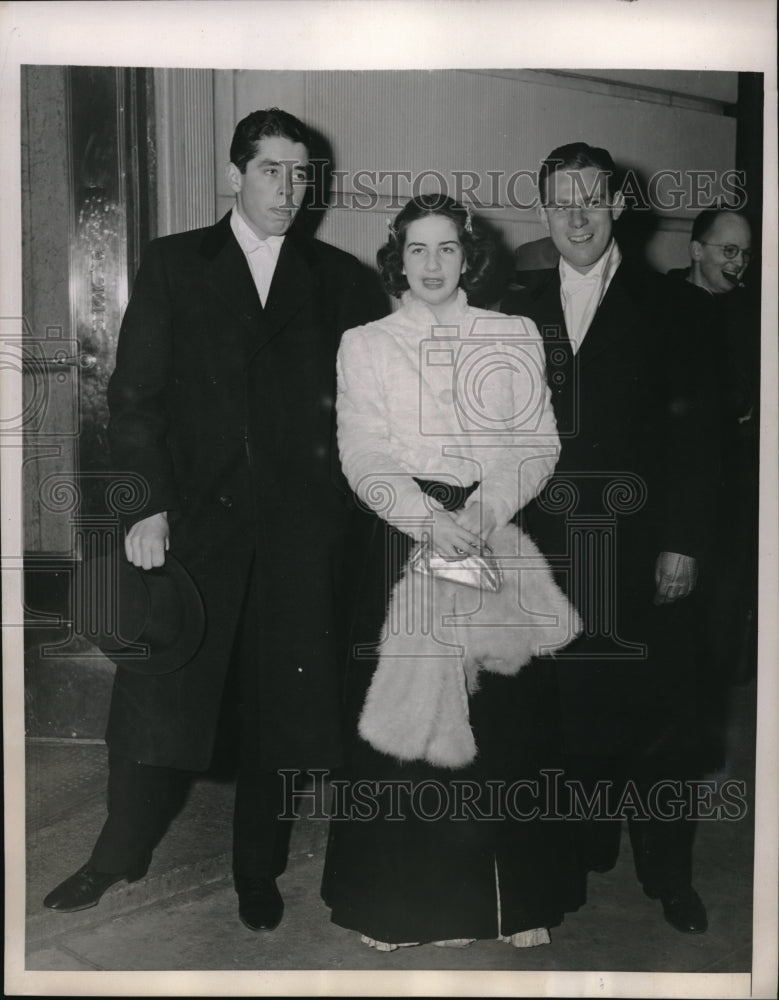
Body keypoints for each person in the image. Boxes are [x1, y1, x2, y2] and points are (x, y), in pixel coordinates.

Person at [43, 108, 383, 931]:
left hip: (301, 543)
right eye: (271, 170)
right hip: (189, 532)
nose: (288, 189)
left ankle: (256, 873)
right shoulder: (173, 264)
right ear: (234, 176)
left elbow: (369, 414)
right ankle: (116, 855)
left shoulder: (340, 280)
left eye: (302, 175)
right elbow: (135, 402)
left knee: (276, 713)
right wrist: (147, 506)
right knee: (155, 704)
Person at [322, 194, 583, 951]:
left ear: (468, 257)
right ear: (395, 259)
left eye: (446, 249)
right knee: (409, 724)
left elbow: (536, 444)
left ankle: (515, 903)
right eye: (417, 250)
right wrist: (422, 517)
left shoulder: (511, 334)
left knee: (504, 720)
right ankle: (396, 909)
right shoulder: (364, 343)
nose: (432, 265)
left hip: (493, 533)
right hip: (407, 538)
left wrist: (484, 511)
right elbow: (360, 451)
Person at [502, 143, 719, 935]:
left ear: (618, 203)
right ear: (543, 210)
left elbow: (700, 442)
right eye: (561, 200)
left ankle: (667, 875)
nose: (578, 214)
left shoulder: (675, 308)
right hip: (547, 553)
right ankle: (578, 854)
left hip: (642, 553)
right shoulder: (514, 303)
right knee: (563, 717)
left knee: (658, 723)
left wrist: (684, 542)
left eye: (591, 197)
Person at [663, 206, 758, 754]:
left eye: (744, 253)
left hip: (734, 492)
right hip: (676, 494)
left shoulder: (750, 313)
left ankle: (701, 737)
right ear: (696, 249)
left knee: (722, 617)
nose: (738, 262)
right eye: (728, 250)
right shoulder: (662, 305)